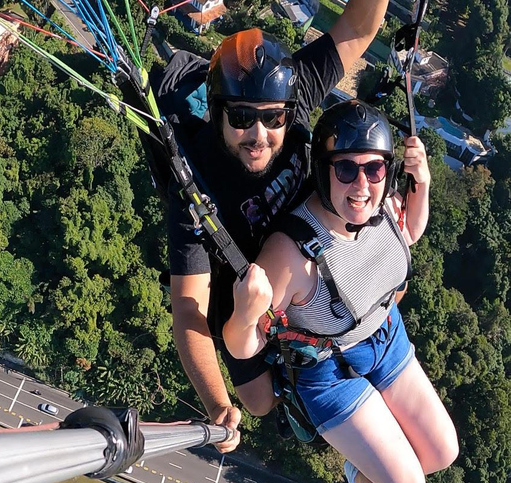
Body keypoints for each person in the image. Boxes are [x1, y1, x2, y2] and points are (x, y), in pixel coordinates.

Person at [163, 0, 391, 452]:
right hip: (247, 296)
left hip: (311, 261)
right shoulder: (195, 182)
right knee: (260, 401)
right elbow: (188, 307)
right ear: (217, 112)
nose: (260, 134)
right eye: (243, 118)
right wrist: (215, 402)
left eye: (273, 118)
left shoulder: (296, 87)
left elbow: (360, 28)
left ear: (288, 108)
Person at [223, 100, 458, 483]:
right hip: (327, 368)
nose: (362, 185)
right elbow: (243, 346)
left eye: (374, 169)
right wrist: (245, 313)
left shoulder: (383, 206)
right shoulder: (291, 254)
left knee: (442, 453)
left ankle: (371, 457)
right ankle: (361, 480)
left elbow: (410, 234)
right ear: (323, 169)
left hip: (383, 334)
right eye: (346, 169)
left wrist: (422, 184)